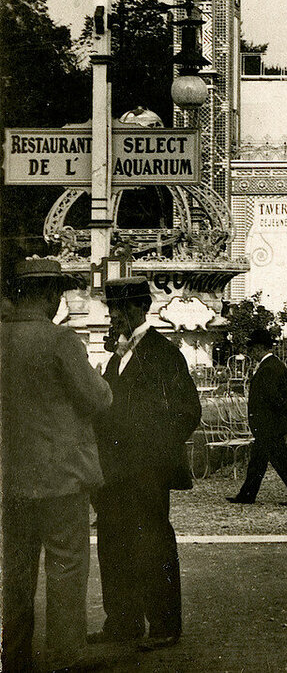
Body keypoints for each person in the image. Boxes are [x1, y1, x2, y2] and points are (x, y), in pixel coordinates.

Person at [2, 258, 112, 673]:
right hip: (61, 477)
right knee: (66, 566)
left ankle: (13, 657)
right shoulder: (61, 341)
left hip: (10, 476)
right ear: (50, 296)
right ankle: (65, 658)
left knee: (15, 571)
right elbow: (98, 399)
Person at [92, 276, 202, 652]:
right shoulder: (116, 356)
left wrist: (152, 453)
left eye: (121, 309)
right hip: (113, 472)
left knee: (153, 545)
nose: (115, 317)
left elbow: (188, 411)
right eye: (112, 310)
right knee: (114, 543)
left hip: (145, 472)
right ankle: (122, 622)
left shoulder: (164, 353)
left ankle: (165, 625)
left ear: (141, 308)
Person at [227, 327, 287, 507]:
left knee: (282, 462)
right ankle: (247, 494)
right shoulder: (275, 365)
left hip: (269, 424)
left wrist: (284, 410)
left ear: (259, 348)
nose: (251, 352)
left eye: (252, 349)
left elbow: (273, 397)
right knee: (258, 462)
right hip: (270, 424)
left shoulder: (269, 368)